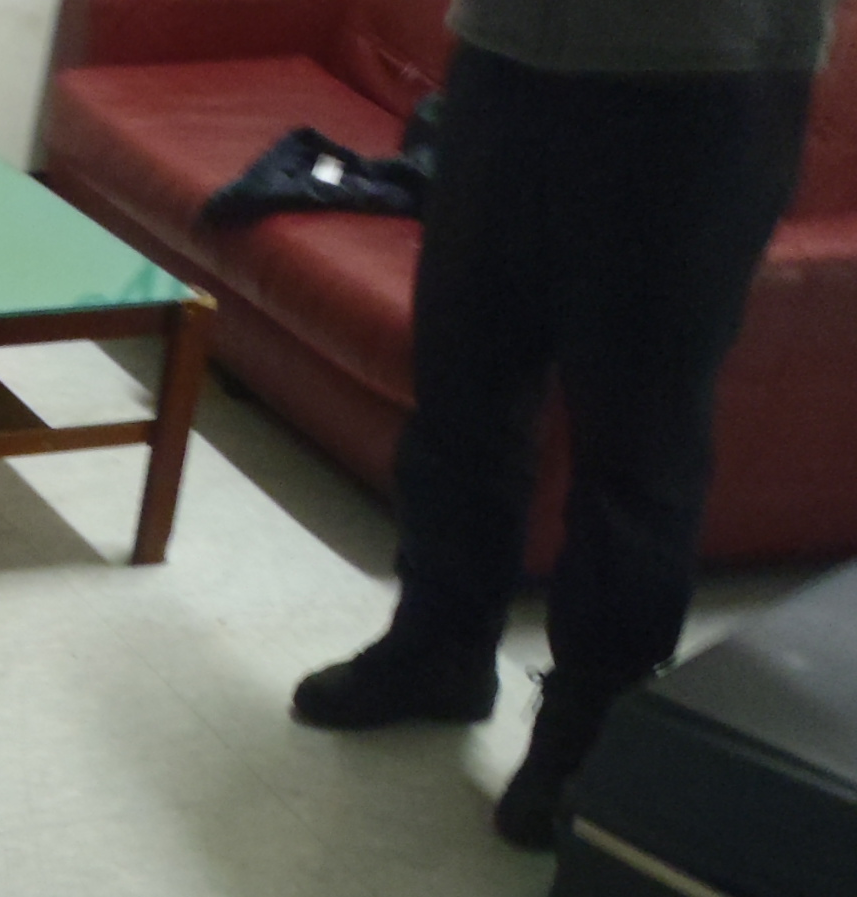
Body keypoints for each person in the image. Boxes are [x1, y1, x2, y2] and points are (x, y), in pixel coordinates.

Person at [291, 0, 831, 848]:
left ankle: (593, 726)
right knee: (463, 386)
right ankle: (440, 646)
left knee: (637, 438)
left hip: (699, 85)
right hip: (506, 57)